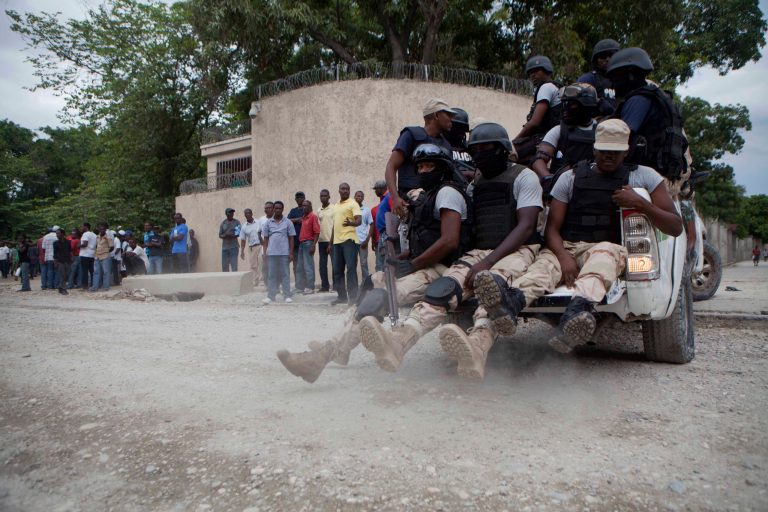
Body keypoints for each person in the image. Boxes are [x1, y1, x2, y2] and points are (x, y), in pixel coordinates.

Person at [475, 119, 683, 353]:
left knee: (602, 261)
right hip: (566, 245)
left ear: (627, 151)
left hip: (607, 248)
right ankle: (510, 305)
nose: (608, 157)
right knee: (542, 269)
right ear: (594, 149)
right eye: (603, 151)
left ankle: (576, 316)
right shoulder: (570, 177)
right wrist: (563, 257)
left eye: (615, 152)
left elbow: (675, 226)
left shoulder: (644, 177)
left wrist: (641, 204)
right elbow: (552, 228)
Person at [359, 122, 543, 380]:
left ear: (502, 149)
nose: (480, 155)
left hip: (518, 251)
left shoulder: (524, 177)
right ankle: (400, 341)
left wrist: (487, 261)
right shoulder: (475, 184)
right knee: (443, 289)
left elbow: (525, 227)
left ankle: (478, 348)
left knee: (493, 291)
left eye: (486, 148)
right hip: (479, 252)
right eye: (475, 151)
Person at [277, 143, 472, 383]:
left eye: (429, 166)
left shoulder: (448, 193)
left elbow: (449, 241)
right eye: (420, 166)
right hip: (422, 263)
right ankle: (338, 348)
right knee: (371, 284)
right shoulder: (429, 195)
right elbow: (426, 237)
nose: (423, 171)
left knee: (381, 296)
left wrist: (413, 264)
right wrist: (403, 258)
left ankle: (324, 356)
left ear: (442, 168)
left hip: (443, 269)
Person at [607, 47, 689, 188]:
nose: (613, 85)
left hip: (643, 175)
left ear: (630, 75)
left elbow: (619, 137)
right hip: (663, 173)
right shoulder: (657, 96)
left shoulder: (638, 100)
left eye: (615, 78)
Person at [385, 98, 456, 216]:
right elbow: (391, 166)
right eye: (448, 114)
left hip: (436, 200)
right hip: (412, 200)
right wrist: (395, 198)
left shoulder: (446, 145)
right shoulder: (411, 135)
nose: (451, 119)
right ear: (436, 115)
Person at [531, 83, 599, 181]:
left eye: (570, 104)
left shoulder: (601, 131)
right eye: (564, 103)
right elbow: (539, 159)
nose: (565, 109)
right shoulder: (559, 130)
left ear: (586, 106)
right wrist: (548, 178)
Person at [513, 55, 561, 163]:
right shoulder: (556, 87)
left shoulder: (546, 87)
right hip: (552, 136)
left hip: (545, 138)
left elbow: (534, 123)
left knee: (508, 154)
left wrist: (514, 141)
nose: (532, 75)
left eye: (536, 71)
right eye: (530, 73)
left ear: (547, 71)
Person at [330, 182, 362, 305]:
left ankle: (353, 297)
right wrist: (331, 242)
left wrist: (351, 223)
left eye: (347, 189)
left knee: (351, 269)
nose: (345, 191)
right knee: (337, 270)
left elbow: (359, 220)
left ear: (349, 191)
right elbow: (335, 225)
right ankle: (342, 297)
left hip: (349, 240)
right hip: (337, 242)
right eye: (343, 189)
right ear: (339, 191)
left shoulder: (353, 204)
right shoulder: (336, 205)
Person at [261, 201, 295, 303]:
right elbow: (265, 239)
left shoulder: (288, 222)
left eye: (280, 208)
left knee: (285, 275)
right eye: (276, 208)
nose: (278, 210)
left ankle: (287, 296)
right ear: (273, 209)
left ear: (282, 209)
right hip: (271, 253)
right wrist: (264, 252)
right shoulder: (268, 223)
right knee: (271, 275)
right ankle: (271, 296)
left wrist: (291, 252)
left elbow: (291, 238)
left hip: (284, 253)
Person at [577, 39, 621, 117]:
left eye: (612, 55)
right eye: (603, 56)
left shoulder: (625, 80)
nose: (607, 59)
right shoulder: (589, 79)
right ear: (596, 60)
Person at [297, 199, 321, 293]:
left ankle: (310, 287)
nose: (304, 207)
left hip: (308, 243)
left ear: (310, 206)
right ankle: (300, 287)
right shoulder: (304, 217)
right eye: (303, 205)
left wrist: (313, 245)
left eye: (306, 205)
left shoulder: (313, 217)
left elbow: (317, 232)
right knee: (300, 267)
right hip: (301, 244)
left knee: (308, 266)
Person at [287, 192, 307, 292]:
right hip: (295, 243)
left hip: (306, 242)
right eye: (297, 197)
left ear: (304, 198)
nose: (299, 199)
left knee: (305, 265)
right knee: (296, 266)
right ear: (295, 199)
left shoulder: (307, 209)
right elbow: (287, 221)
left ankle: (306, 286)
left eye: (301, 197)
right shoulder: (293, 211)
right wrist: (297, 220)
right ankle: (298, 286)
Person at [239, 208, 263, 286]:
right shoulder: (244, 227)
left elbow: (263, 232)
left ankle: (261, 281)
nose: (248, 214)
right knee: (253, 265)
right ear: (245, 215)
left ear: (252, 214)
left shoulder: (258, 222)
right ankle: (255, 281)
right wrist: (242, 251)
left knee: (261, 262)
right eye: (246, 213)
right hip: (252, 248)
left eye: (249, 213)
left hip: (260, 245)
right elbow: (243, 240)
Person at [354, 190, 374, 282]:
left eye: (361, 196)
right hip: (352, 242)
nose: (359, 198)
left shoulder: (366, 210)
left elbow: (372, 225)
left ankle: (365, 284)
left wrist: (367, 240)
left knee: (363, 264)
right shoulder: (351, 209)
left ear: (363, 198)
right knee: (352, 264)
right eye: (357, 196)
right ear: (354, 197)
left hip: (363, 242)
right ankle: (353, 285)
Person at [316, 191, 334, 292]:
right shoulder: (319, 210)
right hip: (321, 241)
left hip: (332, 240)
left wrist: (331, 242)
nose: (323, 197)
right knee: (322, 265)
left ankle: (337, 286)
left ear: (329, 197)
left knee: (335, 264)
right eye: (321, 196)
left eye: (325, 196)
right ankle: (325, 286)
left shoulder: (334, 208)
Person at [90, 223, 113, 291]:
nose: (102, 230)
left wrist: (106, 251)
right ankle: (95, 287)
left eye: (103, 229)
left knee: (106, 272)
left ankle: (105, 287)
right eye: (100, 229)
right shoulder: (97, 237)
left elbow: (112, 247)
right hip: (97, 256)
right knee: (96, 272)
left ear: (105, 230)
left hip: (105, 256)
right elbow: (96, 246)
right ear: (99, 229)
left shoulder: (108, 237)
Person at [370, 181, 388, 272]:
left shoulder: (388, 197)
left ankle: (385, 284)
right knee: (380, 263)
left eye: (376, 189)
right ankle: (380, 282)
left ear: (381, 189)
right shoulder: (382, 199)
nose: (375, 192)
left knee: (384, 263)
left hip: (386, 235)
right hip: (380, 237)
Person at [219, 208, 241, 272]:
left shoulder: (237, 222)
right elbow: (220, 235)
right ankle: (226, 280)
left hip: (234, 247)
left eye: (232, 213)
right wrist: (225, 236)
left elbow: (238, 233)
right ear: (226, 214)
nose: (231, 214)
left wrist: (232, 236)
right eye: (230, 212)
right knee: (224, 266)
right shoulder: (223, 223)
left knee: (234, 265)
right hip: (225, 248)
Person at [53, 228, 73, 295]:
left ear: (62, 234)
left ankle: (60, 287)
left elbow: (70, 251)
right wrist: (55, 262)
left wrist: (71, 259)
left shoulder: (68, 242)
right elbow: (55, 253)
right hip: (60, 261)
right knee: (62, 275)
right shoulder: (55, 243)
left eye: (58, 233)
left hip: (67, 260)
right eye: (56, 233)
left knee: (67, 275)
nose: (57, 235)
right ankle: (64, 289)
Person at [259, 201, 274, 285]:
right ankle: (267, 285)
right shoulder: (262, 219)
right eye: (265, 208)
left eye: (269, 208)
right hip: (265, 247)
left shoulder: (276, 218)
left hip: (275, 247)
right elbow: (258, 231)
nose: (267, 209)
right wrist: (261, 240)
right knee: (265, 267)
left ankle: (275, 284)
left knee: (274, 267)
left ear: (273, 209)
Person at [79, 222, 97, 289]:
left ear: (86, 227)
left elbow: (85, 244)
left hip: (85, 255)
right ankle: (93, 284)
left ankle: (85, 286)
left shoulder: (85, 234)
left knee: (84, 271)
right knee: (92, 271)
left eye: (82, 226)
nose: (81, 228)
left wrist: (78, 246)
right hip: (92, 255)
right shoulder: (94, 235)